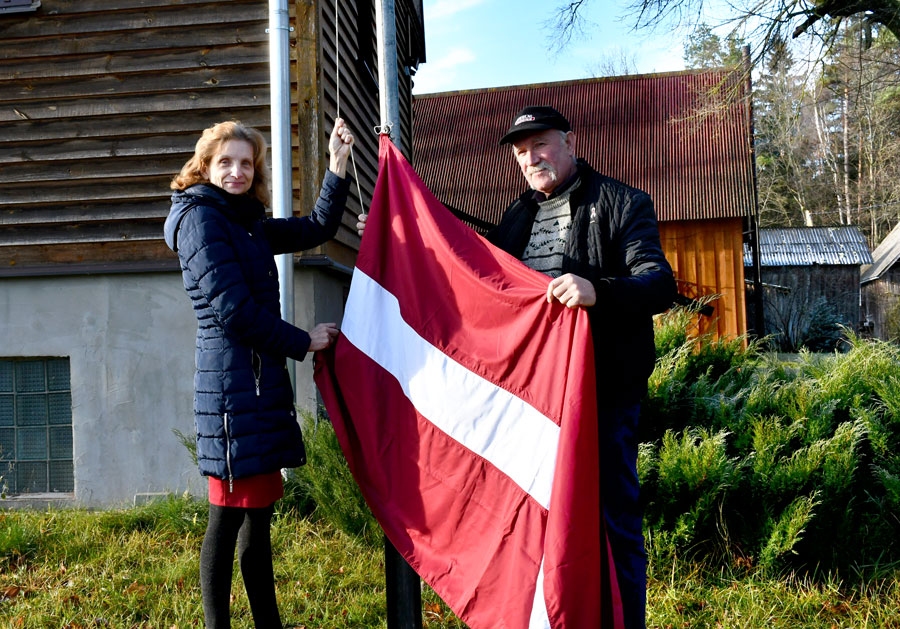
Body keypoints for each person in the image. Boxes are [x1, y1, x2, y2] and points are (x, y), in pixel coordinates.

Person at [357, 105, 675, 628]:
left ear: (570, 143)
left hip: (604, 395)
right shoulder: (516, 216)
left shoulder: (622, 203)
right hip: (535, 405)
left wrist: (598, 291)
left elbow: (659, 284)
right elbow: (484, 285)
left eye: (542, 145)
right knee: (541, 521)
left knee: (613, 519)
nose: (532, 159)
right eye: (522, 152)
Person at [164, 117, 355, 628]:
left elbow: (313, 228)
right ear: (204, 165)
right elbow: (234, 312)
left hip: (257, 384)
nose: (237, 171)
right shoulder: (201, 221)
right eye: (225, 161)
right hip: (232, 389)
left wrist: (336, 167)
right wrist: (302, 340)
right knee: (225, 520)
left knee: (259, 517)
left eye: (246, 163)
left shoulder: (242, 220)